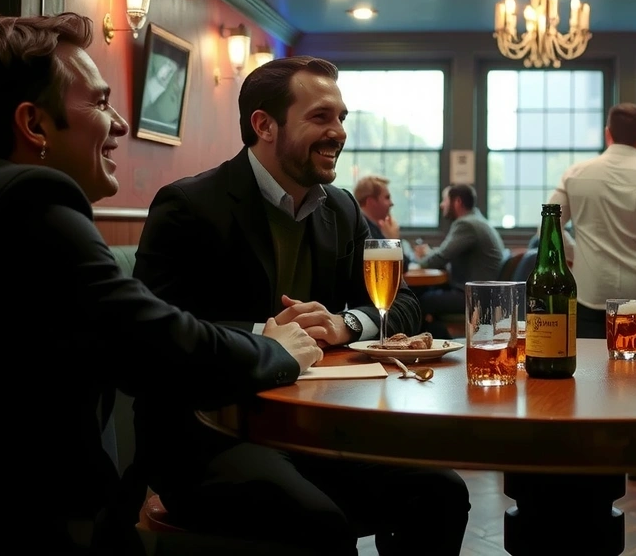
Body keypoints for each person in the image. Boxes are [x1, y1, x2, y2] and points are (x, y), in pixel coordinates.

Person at [0, 12, 319, 554]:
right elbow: (155, 343)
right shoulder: (29, 206)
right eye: (98, 103)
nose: (118, 124)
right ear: (34, 125)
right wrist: (276, 350)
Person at [132, 56, 469, 555]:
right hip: (209, 433)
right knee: (321, 524)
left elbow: (403, 304)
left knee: (441, 491)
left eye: (342, 118)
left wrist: (345, 323)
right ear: (264, 125)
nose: (339, 132)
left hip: (315, 431)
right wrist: (264, 336)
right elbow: (149, 336)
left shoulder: (342, 207)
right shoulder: (189, 205)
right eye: (320, 117)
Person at [546, 102, 636, 341]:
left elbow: (547, 227)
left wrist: (573, 255)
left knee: (589, 362)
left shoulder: (574, 175)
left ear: (608, 134)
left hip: (590, 293)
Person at [413, 184, 506, 336]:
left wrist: (418, 260)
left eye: (445, 200)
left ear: (457, 202)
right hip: (486, 295)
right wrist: (429, 254)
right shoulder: (477, 220)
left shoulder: (466, 224)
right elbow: (446, 253)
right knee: (425, 295)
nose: (442, 205)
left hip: (475, 298)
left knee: (416, 301)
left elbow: (439, 258)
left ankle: (432, 341)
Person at [354, 174, 414, 264]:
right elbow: (402, 265)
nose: (391, 203)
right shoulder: (363, 232)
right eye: (387, 198)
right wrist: (393, 241)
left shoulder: (377, 228)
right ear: (371, 202)